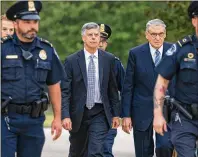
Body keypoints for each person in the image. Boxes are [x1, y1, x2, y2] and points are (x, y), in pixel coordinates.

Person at [1, 1, 64, 157]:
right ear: (15, 24)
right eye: (27, 22)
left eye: (35, 22)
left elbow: (54, 84)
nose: (32, 26)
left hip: (34, 121)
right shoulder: (3, 49)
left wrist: (57, 117)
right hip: (6, 119)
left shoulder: (46, 50)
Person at [61, 22, 120, 157]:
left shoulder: (108, 59)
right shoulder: (71, 60)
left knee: (95, 151)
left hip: (100, 112)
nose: (94, 38)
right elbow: (65, 91)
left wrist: (116, 113)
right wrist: (65, 115)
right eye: (90, 35)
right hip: (78, 113)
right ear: (83, 38)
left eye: (96, 35)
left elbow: (112, 88)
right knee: (77, 152)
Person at [121, 19, 174, 157]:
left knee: (165, 147)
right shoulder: (135, 53)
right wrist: (126, 115)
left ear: (165, 34)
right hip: (141, 111)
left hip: (167, 111)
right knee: (143, 152)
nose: (157, 37)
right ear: (147, 34)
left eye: (160, 34)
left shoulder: (174, 51)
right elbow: (128, 86)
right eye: (153, 34)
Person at [153, 2, 198, 157]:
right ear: (194, 21)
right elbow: (162, 82)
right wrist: (158, 114)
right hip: (185, 117)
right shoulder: (181, 49)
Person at [98, 23, 125, 157]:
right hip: (84, 116)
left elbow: (125, 89)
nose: (100, 44)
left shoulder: (114, 63)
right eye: (98, 39)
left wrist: (125, 114)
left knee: (104, 150)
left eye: (103, 41)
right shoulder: (77, 61)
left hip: (108, 116)